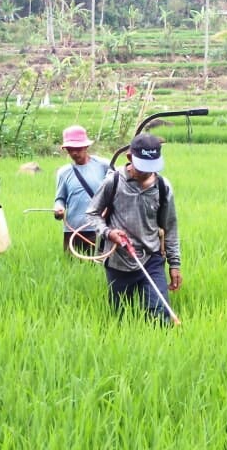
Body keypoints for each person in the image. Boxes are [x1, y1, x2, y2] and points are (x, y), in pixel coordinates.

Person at [85, 133, 181, 324]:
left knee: (159, 313)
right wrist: (108, 233)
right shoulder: (113, 182)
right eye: (142, 167)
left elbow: (170, 226)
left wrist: (175, 263)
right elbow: (92, 214)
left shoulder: (162, 186)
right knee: (121, 316)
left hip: (151, 258)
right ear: (129, 158)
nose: (147, 173)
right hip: (118, 261)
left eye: (151, 168)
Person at [53, 125, 109, 254]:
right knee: (72, 268)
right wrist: (58, 209)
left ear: (86, 146)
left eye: (78, 148)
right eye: (70, 149)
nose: (74, 153)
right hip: (72, 229)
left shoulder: (103, 165)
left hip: (99, 228)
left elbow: (117, 193)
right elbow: (60, 199)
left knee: (97, 266)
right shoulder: (63, 172)